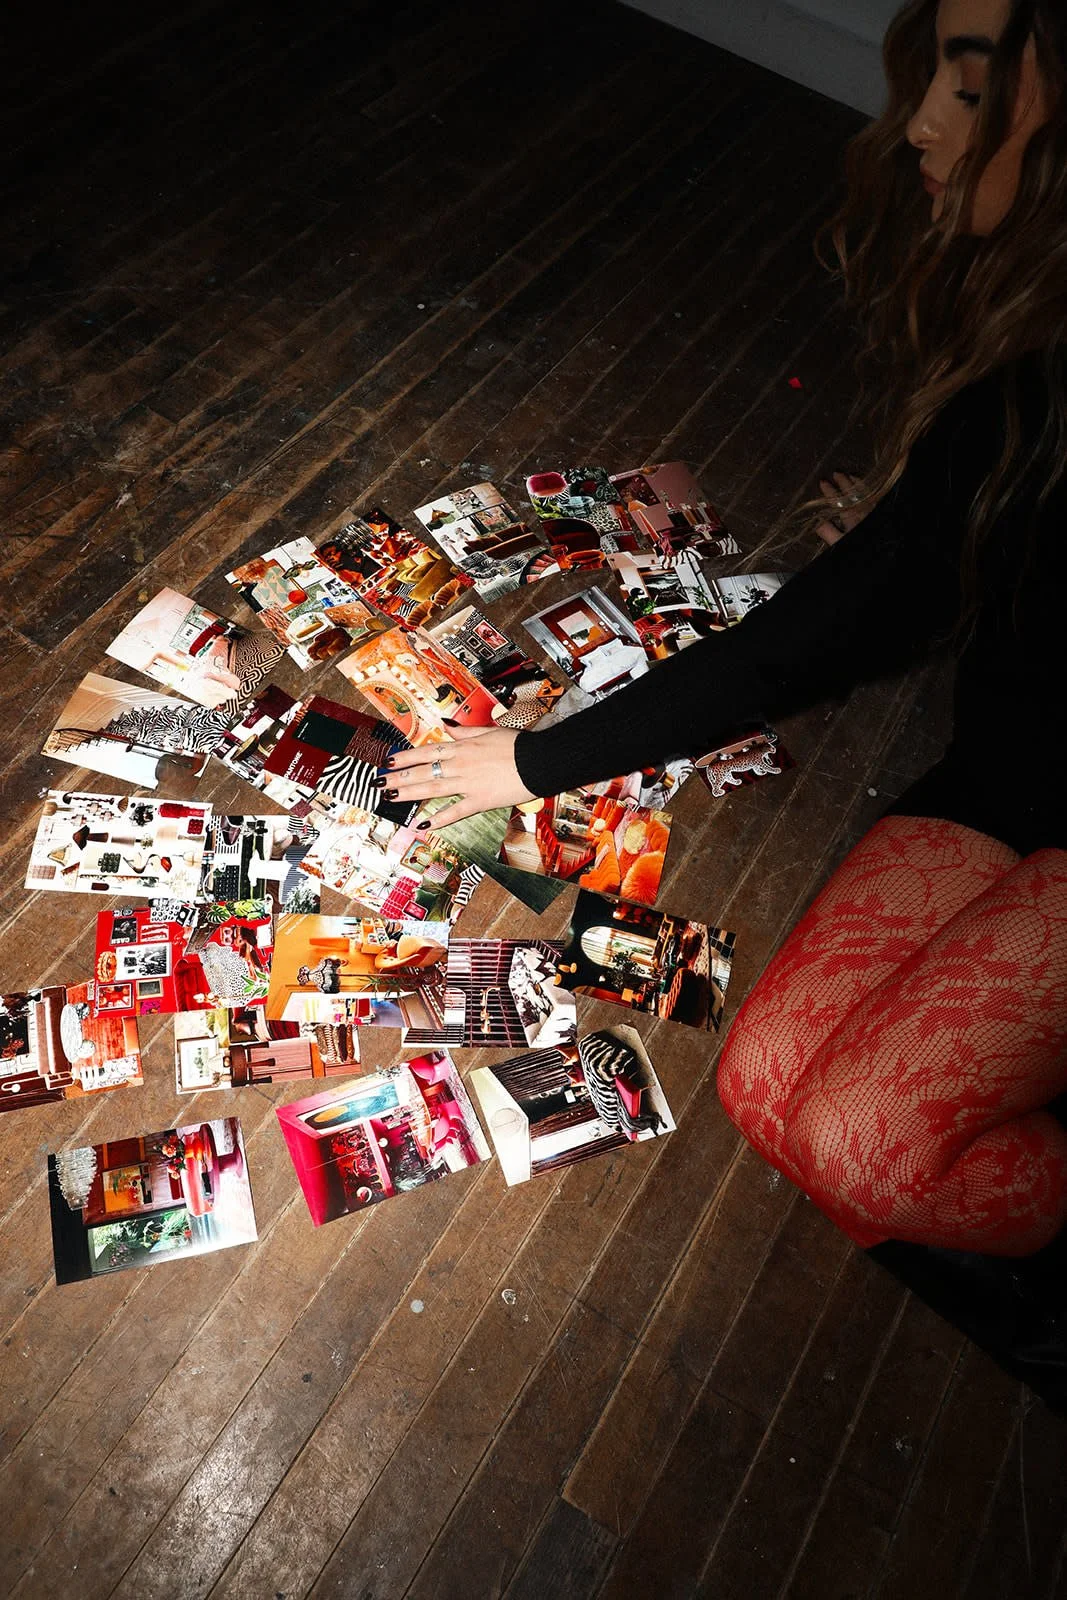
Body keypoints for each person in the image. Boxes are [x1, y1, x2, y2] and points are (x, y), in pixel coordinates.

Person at [383, 1, 1067, 1391]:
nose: (921, 123)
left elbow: (797, 647)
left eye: (972, 85)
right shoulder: (1033, 355)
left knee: (853, 1147)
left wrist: (535, 761)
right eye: (933, 71)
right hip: (1020, 772)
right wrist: (941, 519)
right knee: (764, 1090)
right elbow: (905, 573)